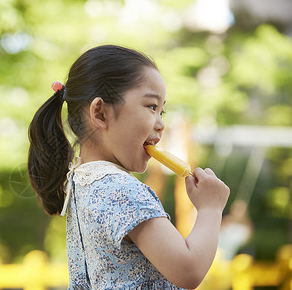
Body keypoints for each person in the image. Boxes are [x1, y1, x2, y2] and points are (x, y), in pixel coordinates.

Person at [27, 45, 230, 289]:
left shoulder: (80, 183)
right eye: (151, 107)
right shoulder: (122, 189)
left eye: (162, 111)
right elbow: (188, 270)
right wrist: (210, 208)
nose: (161, 124)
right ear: (100, 113)